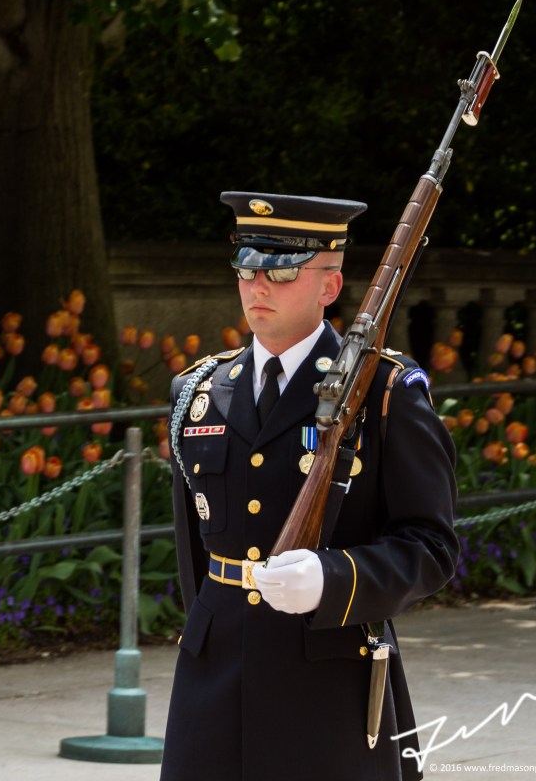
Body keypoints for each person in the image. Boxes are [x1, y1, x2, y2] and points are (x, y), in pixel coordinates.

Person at [160, 191, 458, 780]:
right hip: (212, 678)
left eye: (281, 272)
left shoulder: (385, 391)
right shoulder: (198, 391)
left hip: (329, 676)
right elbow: (192, 550)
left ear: (330, 285)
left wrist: (334, 578)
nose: (257, 286)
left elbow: (432, 547)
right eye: (246, 267)